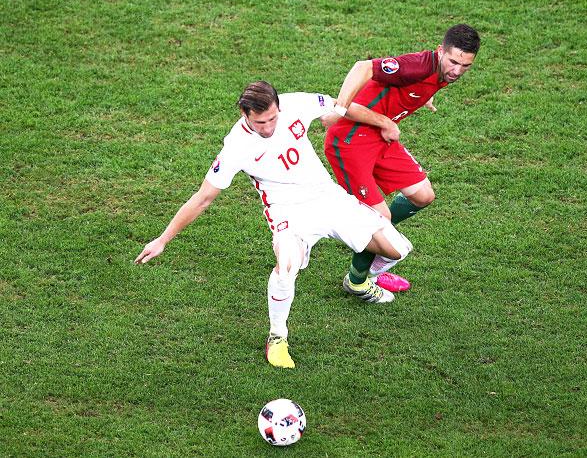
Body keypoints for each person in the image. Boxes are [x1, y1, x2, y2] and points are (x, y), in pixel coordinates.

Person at [134, 81, 412, 369]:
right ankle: (277, 337)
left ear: (279, 107)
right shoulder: (236, 147)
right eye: (260, 122)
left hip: (329, 198)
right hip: (287, 212)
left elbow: (340, 104)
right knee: (286, 268)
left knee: (398, 250)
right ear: (244, 114)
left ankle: (359, 282)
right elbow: (204, 198)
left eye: (272, 119)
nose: (268, 127)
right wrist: (163, 239)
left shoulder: (295, 103)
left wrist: (382, 121)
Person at [321, 24, 481, 294]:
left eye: (465, 66)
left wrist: (424, 97)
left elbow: (414, 88)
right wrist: (341, 108)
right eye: (453, 61)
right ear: (441, 51)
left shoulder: (441, 73)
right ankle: (357, 282)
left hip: (380, 138)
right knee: (379, 221)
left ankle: (372, 255)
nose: (457, 71)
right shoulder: (418, 66)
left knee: (423, 195)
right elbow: (363, 67)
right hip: (349, 142)